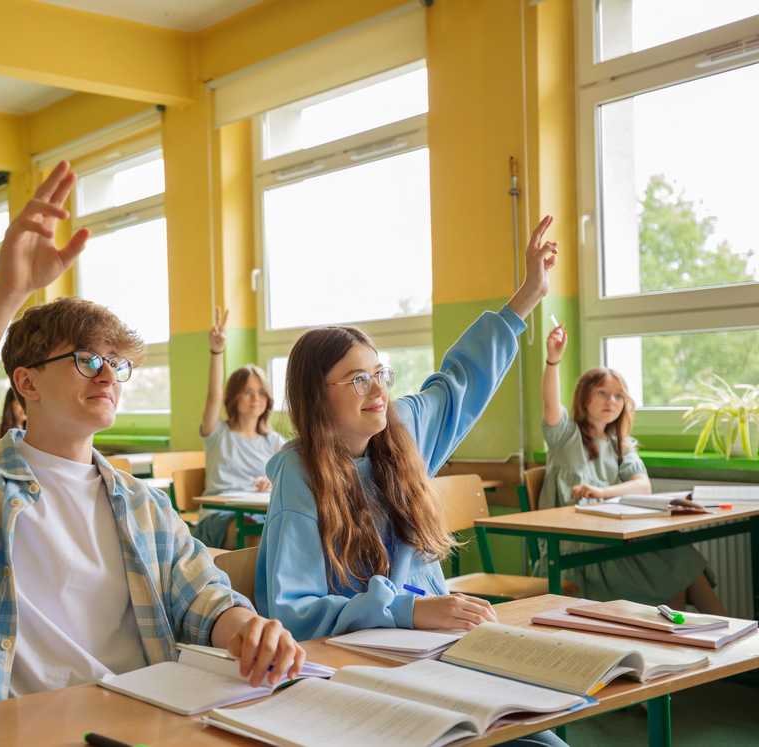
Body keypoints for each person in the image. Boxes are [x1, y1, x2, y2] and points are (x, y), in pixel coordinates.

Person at [0, 161, 305, 711]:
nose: (108, 374)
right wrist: (6, 290)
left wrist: (245, 627)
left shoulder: (140, 503)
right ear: (26, 381)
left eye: (115, 362)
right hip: (16, 728)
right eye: (86, 360)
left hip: (139, 715)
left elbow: (199, 592)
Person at [258, 216, 559, 639]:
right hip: (365, 655)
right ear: (316, 397)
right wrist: (407, 611)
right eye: (358, 379)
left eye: (379, 373)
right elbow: (295, 611)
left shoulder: (402, 430)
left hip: (436, 639)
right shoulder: (300, 474)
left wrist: (527, 296)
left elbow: (460, 381)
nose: (378, 389)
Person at [538, 324, 727, 613]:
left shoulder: (620, 442)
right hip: (579, 548)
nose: (611, 401)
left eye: (618, 396)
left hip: (618, 538)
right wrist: (553, 361)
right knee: (675, 567)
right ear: (584, 397)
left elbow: (642, 485)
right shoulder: (566, 435)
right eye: (602, 393)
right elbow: (550, 404)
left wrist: (602, 492)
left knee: (680, 556)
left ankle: (734, 643)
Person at [193, 307, 285, 548]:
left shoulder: (274, 441)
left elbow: (291, 479)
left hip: (260, 513)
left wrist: (272, 483)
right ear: (233, 397)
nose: (256, 399)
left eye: (261, 392)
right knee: (254, 537)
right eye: (247, 392)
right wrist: (217, 351)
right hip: (219, 516)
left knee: (284, 531)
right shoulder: (217, 433)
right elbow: (213, 396)